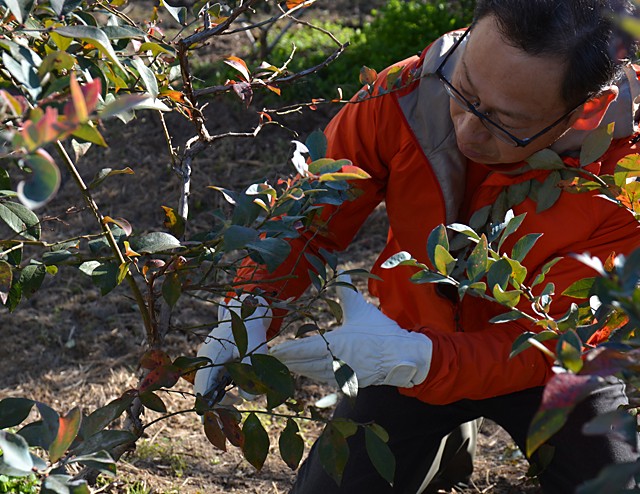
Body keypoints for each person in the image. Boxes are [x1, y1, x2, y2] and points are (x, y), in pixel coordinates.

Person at [195, 0, 640, 492]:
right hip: (410, 332)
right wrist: (250, 306)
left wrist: (421, 360)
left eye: (506, 121)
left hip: (551, 362)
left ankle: (446, 432)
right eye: (465, 89)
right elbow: (312, 216)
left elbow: (559, 341)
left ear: (587, 112)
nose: (468, 130)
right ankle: (445, 442)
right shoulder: (405, 94)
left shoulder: (628, 184)